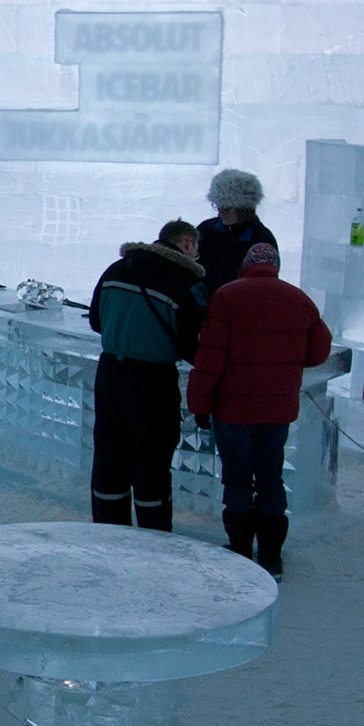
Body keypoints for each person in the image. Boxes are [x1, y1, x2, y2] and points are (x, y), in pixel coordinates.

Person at [186, 241, 333, 578]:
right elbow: (318, 351)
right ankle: (270, 555)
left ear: (246, 264)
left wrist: (200, 406)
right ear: (275, 266)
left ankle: (239, 551)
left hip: (233, 410)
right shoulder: (299, 299)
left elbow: (209, 359)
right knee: (270, 479)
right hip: (278, 410)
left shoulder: (227, 297)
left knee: (237, 481)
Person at [87, 219, 208, 532]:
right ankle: (153, 540)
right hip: (153, 381)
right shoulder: (184, 282)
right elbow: (191, 344)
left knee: (110, 457)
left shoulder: (116, 269)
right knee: (151, 461)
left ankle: (109, 532)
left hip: (110, 373)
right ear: (186, 243)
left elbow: (96, 321)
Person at [196, 168, 277, 297]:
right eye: (218, 207)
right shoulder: (206, 229)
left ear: (244, 209)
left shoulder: (262, 240)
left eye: (226, 209)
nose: (220, 213)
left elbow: (265, 286)